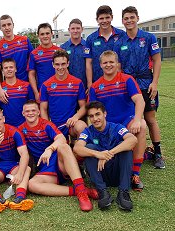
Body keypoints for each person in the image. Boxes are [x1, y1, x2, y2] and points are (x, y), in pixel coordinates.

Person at [19, 100, 98, 212]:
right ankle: (83, 191)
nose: (30, 113)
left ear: (38, 112)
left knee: (64, 147)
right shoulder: (21, 129)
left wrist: (49, 149)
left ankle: (82, 193)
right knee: (31, 185)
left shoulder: (46, 124)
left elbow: (61, 138)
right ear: (23, 113)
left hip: (59, 162)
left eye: (33, 110)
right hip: (45, 168)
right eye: (27, 111)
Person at [114, 6, 165, 169]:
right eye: (126, 18)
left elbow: (157, 60)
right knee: (130, 119)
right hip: (128, 86)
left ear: (137, 18)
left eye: (131, 17)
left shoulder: (149, 37)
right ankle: (130, 153)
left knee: (150, 119)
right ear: (122, 21)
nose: (129, 21)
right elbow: (119, 68)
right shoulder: (119, 42)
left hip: (146, 84)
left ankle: (157, 153)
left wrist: (154, 82)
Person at [89, 50, 147, 191]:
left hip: (126, 122)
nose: (108, 65)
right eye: (105, 62)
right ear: (100, 65)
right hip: (107, 126)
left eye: (111, 62)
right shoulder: (95, 86)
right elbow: (92, 111)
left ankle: (135, 173)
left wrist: (138, 120)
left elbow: (139, 100)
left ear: (117, 64)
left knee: (143, 125)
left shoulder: (127, 79)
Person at [74, 101, 138, 211]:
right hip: (100, 173)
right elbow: (77, 148)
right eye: (91, 116)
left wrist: (109, 154)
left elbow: (133, 140)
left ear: (105, 114)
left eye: (97, 114)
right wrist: (98, 154)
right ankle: (102, 191)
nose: (95, 119)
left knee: (125, 148)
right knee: (89, 147)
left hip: (118, 173)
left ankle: (123, 192)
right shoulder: (88, 131)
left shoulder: (117, 127)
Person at [0, 107, 34, 214]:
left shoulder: (14, 131)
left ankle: (19, 198)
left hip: (14, 166)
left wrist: (19, 174)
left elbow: (24, 154)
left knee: (26, 168)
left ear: (4, 119)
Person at [40, 50, 87, 140]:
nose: (60, 67)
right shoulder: (46, 85)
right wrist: (48, 126)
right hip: (55, 126)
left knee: (82, 127)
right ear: (53, 65)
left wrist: (75, 117)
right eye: (57, 64)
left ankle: (79, 151)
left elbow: (83, 106)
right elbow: (43, 109)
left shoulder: (77, 82)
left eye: (63, 64)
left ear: (68, 64)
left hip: (70, 125)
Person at [0, 14, 34, 103]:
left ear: (13, 25)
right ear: (0, 28)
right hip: (9, 86)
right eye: (4, 25)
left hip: (27, 83)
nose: (7, 28)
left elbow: (33, 62)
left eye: (9, 24)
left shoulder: (24, 40)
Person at [84, 5, 125, 89]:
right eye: (101, 18)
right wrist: (89, 83)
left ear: (112, 17)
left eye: (107, 17)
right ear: (97, 20)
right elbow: (88, 63)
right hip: (98, 83)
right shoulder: (91, 39)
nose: (105, 21)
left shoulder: (122, 35)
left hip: (118, 82)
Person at [0, 58, 34, 127]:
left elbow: (32, 105)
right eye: (6, 68)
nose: (8, 69)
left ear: (16, 69)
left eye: (11, 67)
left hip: (25, 125)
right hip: (7, 127)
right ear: (2, 71)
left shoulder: (26, 86)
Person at [28, 23, 61, 102]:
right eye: (42, 34)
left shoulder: (60, 51)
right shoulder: (34, 53)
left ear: (52, 34)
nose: (45, 36)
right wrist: (36, 93)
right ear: (38, 36)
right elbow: (31, 74)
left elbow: (66, 70)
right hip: (42, 91)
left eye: (47, 33)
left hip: (59, 90)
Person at [60, 18, 88, 89]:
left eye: (78, 28)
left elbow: (90, 65)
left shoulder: (88, 46)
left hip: (85, 86)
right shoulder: (63, 48)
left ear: (82, 29)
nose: (75, 31)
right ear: (69, 30)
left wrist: (89, 84)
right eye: (73, 28)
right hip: (68, 86)